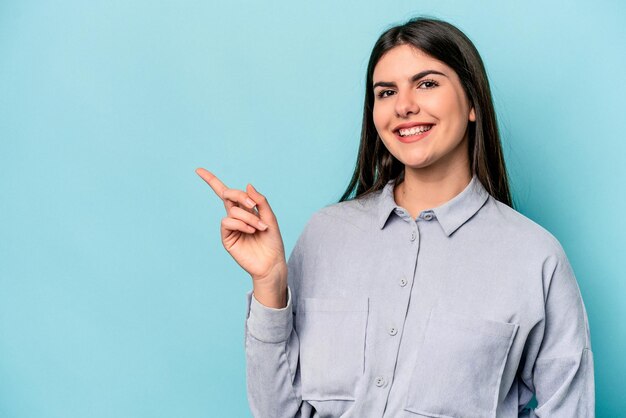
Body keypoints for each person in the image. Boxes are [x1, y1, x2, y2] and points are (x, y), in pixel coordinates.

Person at [196, 16, 594, 418]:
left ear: (472, 103)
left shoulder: (534, 257)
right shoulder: (325, 234)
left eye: (427, 84)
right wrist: (269, 285)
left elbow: (569, 407)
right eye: (386, 92)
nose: (404, 106)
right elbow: (279, 411)